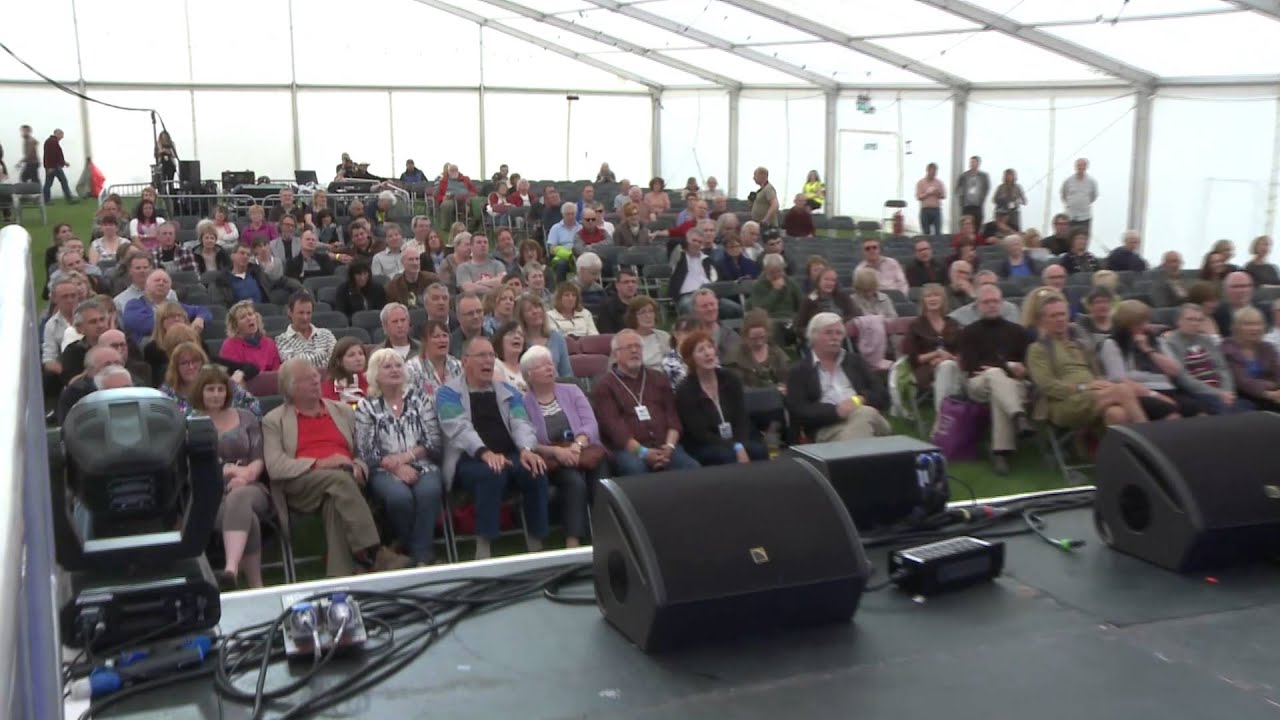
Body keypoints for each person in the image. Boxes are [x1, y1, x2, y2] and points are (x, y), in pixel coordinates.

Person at [264, 358, 409, 576]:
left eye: (316, 376)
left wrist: (360, 466)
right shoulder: (274, 420)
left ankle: (339, 576)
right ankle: (374, 552)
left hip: (344, 481)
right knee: (339, 479)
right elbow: (275, 466)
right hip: (301, 484)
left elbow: (362, 451)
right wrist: (320, 463)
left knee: (334, 500)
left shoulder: (343, 411)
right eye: (307, 379)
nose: (315, 381)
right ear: (290, 388)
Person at [437, 337, 549, 560]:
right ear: (465, 361)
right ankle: (484, 544)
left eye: (491, 356)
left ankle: (537, 541)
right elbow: (459, 429)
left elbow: (521, 421)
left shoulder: (508, 390)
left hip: (509, 454)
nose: (488, 361)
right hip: (469, 459)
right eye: (482, 356)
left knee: (535, 469)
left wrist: (527, 449)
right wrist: (485, 453)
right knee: (491, 473)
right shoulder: (447, 393)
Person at [354, 349, 444, 567]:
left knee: (428, 491)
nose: (394, 370)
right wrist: (396, 467)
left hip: (422, 464)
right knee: (399, 498)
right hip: (384, 469)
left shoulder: (419, 398)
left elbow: (433, 441)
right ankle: (413, 549)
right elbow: (367, 451)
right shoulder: (366, 406)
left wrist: (406, 457)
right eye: (387, 366)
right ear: (376, 373)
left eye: (398, 365)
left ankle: (418, 555)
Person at [188, 365, 273, 588]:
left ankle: (230, 569)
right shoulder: (191, 424)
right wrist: (222, 474)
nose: (216, 395)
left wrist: (244, 476)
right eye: (210, 390)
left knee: (240, 497)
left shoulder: (245, 418)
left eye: (220, 389)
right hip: (212, 495)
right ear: (200, 392)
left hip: (251, 486)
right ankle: (256, 586)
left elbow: (258, 457)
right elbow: (190, 467)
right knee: (248, 519)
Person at [521, 345, 601, 548]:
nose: (549, 368)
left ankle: (607, 531)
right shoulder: (524, 402)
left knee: (601, 476)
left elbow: (590, 424)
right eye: (542, 365)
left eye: (550, 363)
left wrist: (577, 445)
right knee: (573, 481)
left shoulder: (572, 390)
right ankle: (572, 541)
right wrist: (557, 451)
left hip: (582, 449)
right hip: (551, 458)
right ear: (529, 375)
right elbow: (528, 440)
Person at [1027, 295, 1146, 428]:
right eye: (1053, 316)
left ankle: (1110, 448)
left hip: (1093, 396)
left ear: (1068, 316)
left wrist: (1103, 384)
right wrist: (1082, 387)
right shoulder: (1038, 349)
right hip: (1064, 403)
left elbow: (1097, 373)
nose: (1060, 319)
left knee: (1117, 414)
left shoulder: (1081, 345)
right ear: (1043, 321)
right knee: (1122, 390)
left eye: (1062, 314)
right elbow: (1047, 386)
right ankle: (1151, 440)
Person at [592, 330, 700, 476]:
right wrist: (644, 452)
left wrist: (669, 447)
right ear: (616, 354)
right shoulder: (605, 385)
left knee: (692, 468)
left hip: (666, 446)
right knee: (636, 469)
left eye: (638, 346)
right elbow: (615, 429)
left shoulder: (658, 378)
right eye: (628, 347)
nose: (634, 350)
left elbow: (673, 418)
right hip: (629, 450)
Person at [958, 284, 1034, 475]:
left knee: (998, 391)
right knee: (994, 375)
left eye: (995, 302)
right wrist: (1007, 366)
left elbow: (1027, 365)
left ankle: (1001, 452)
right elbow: (971, 366)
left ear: (1001, 303)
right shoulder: (969, 332)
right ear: (978, 305)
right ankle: (1018, 416)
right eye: (986, 302)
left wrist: (1016, 369)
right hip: (978, 384)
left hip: (1013, 385)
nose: (991, 305)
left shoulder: (1017, 331)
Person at [786, 313, 890, 441]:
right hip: (828, 428)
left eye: (839, 333)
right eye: (829, 333)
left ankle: (849, 455)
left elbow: (883, 395)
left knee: (864, 413)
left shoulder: (855, 361)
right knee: (858, 431)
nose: (835, 337)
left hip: (870, 418)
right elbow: (799, 411)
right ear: (814, 336)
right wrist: (836, 411)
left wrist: (860, 400)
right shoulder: (799, 371)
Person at [675, 331, 768, 466]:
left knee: (759, 451)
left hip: (734, 439)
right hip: (704, 444)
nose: (708, 353)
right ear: (691, 359)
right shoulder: (685, 390)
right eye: (701, 350)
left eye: (710, 347)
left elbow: (741, 418)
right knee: (728, 457)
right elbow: (701, 434)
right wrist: (734, 447)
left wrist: (740, 444)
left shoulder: (730, 379)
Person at [1098, 302, 1200, 420]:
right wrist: (1155, 395)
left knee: (1197, 410)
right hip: (1140, 392)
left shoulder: (1157, 341)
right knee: (1171, 414)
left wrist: (1148, 350)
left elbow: (1175, 370)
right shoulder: (1111, 344)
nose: (1145, 326)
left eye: (1146, 321)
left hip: (1169, 388)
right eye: (1139, 323)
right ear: (1126, 324)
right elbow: (1119, 379)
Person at [1160, 304, 1242, 415]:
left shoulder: (1206, 340)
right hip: (1197, 392)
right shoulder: (1170, 342)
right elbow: (1182, 377)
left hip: (1222, 393)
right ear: (1178, 321)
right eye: (1190, 319)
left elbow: (1222, 368)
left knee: (1248, 409)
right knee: (1226, 412)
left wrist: (1227, 391)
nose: (1195, 323)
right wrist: (1217, 393)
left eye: (1199, 320)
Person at [901, 283, 964, 416]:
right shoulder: (916, 325)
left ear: (943, 300)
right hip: (924, 369)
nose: (932, 299)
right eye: (928, 296)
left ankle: (946, 418)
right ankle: (943, 416)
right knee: (949, 367)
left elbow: (962, 352)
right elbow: (913, 358)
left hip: (953, 367)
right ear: (923, 301)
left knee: (949, 366)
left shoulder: (953, 323)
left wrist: (948, 357)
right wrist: (936, 354)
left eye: (936, 295)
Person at [159, 341, 261, 418]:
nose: (191, 367)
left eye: (195, 361)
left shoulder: (221, 382)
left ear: (203, 363)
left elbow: (253, 404)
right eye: (184, 363)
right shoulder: (166, 393)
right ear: (176, 367)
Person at [121, 270, 211, 345]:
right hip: (151, 347)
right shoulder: (134, 304)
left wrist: (200, 318)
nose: (161, 283)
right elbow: (143, 325)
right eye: (157, 280)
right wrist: (180, 325)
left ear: (170, 288)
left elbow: (203, 310)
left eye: (165, 281)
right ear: (146, 285)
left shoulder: (175, 305)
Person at [1222, 306, 1280, 411]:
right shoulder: (1227, 348)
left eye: (1258, 324)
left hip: (1273, 395)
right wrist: (1269, 392)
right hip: (1242, 397)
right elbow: (1242, 382)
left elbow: (1277, 373)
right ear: (1237, 327)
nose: (1255, 328)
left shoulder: (1268, 347)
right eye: (1248, 324)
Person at [515, 293, 573, 378]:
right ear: (522, 317)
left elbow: (566, 373)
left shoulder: (557, 337)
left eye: (537, 307)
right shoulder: (518, 340)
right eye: (529, 310)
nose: (535, 311)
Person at [276, 290, 337, 367]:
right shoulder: (281, 340)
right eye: (301, 313)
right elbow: (294, 366)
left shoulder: (326, 334)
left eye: (308, 313)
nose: (305, 318)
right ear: (290, 313)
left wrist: (303, 360)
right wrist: (323, 354)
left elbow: (337, 360)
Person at [218, 301, 281, 374]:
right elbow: (234, 375)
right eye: (242, 317)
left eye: (250, 314)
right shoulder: (229, 345)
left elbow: (276, 372)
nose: (249, 318)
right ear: (235, 326)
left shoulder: (269, 343)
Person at [406, 319, 463, 398]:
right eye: (436, 337)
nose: (442, 340)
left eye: (445, 336)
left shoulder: (458, 366)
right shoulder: (412, 368)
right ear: (425, 341)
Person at [796, 266, 857, 332]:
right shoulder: (808, 300)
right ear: (818, 281)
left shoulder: (843, 297)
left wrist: (838, 322)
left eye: (833, 280)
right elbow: (799, 326)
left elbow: (853, 315)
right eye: (826, 279)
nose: (830, 283)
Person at [1215, 271, 1265, 338]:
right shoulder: (1217, 314)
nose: (1241, 290)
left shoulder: (1266, 311)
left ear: (1252, 288)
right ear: (1225, 290)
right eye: (1236, 287)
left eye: (1246, 286)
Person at [323, 337, 369, 405]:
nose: (358, 358)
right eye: (351, 355)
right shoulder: (327, 388)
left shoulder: (372, 381)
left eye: (361, 353)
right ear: (339, 361)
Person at [1061, 158, 1098, 235]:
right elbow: (1063, 195)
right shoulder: (1068, 181)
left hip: (1085, 216)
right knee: (1068, 238)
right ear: (1075, 167)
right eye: (1078, 165)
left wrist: (1083, 202)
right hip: (1070, 216)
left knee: (1083, 237)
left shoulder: (1091, 182)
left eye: (1082, 166)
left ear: (1086, 167)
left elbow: (1093, 196)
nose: (1080, 167)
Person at [42, 128, 76, 204]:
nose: (62, 137)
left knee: (48, 184)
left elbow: (56, 155)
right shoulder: (52, 142)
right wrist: (51, 167)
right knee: (63, 181)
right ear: (57, 133)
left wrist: (64, 162)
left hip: (52, 166)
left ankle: (46, 200)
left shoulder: (51, 141)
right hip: (54, 167)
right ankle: (69, 198)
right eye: (61, 135)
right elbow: (51, 156)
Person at [956, 156, 991, 228]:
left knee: (977, 225)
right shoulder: (964, 175)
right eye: (971, 162)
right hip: (966, 206)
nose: (972, 164)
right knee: (966, 226)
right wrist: (961, 199)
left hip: (978, 205)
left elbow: (987, 188)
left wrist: (982, 198)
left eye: (974, 162)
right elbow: (958, 188)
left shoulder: (983, 176)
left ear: (978, 164)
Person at [916, 163, 946, 235]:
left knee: (938, 232)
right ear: (927, 171)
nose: (933, 174)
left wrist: (937, 193)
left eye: (935, 172)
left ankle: (937, 245)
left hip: (936, 210)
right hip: (925, 210)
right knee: (926, 232)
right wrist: (927, 193)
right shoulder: (921, 183)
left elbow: (943, 196)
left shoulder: (939, 183)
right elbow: (918, 197)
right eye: (932, 172)